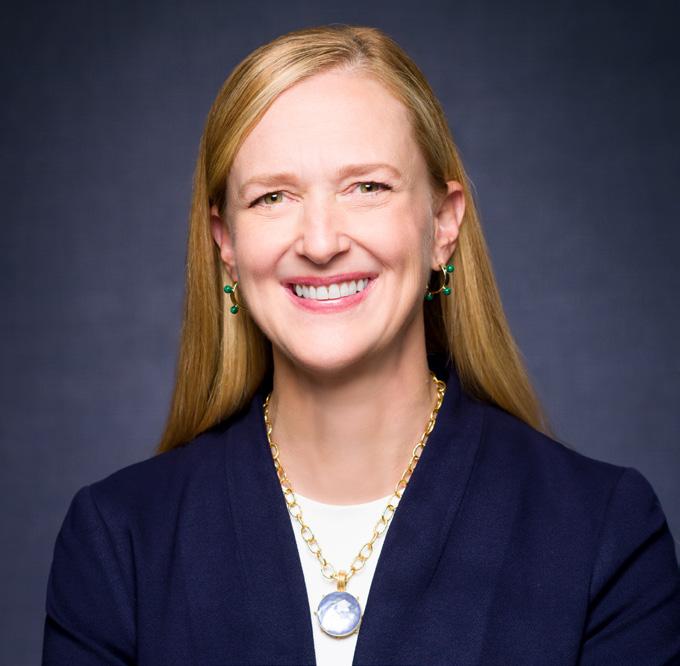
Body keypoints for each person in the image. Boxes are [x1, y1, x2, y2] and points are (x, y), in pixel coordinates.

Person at [42, 24, 680, 666]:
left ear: (443, 224)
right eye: (272, 197)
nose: (321, 243)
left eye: (367, 187)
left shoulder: (603, 532)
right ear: (226, 244)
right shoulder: (118, 540)